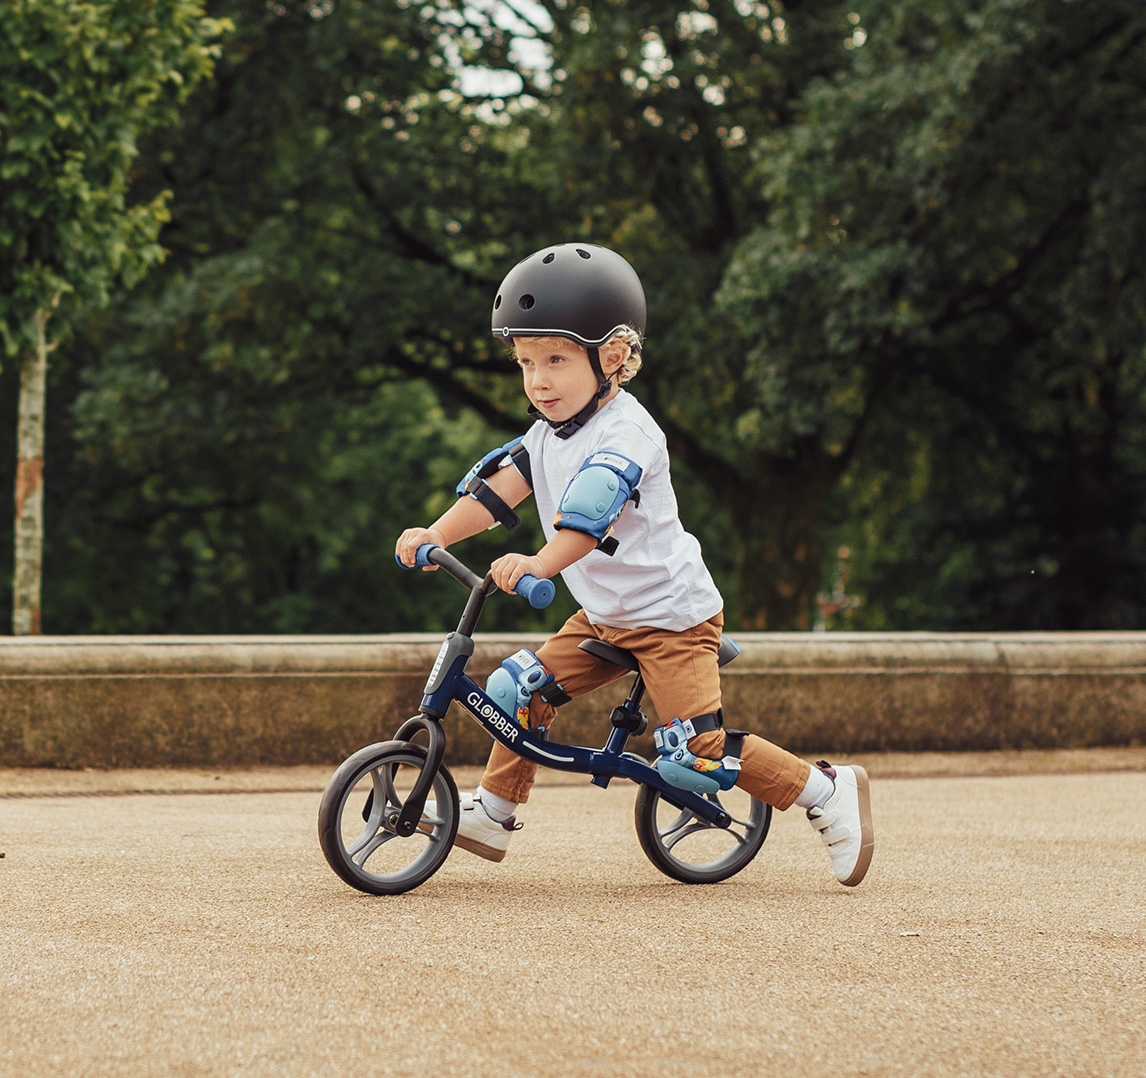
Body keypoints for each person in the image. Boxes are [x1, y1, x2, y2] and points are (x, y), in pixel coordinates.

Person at [395, 242, 874, 887]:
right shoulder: (545, 435)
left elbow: (585, 525)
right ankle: (495, 812)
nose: (538, 380)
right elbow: (494, 494)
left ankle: (824, 789)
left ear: (612, 357)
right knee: (513, 693)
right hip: (602, 618)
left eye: (557, 360)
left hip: (672, 619)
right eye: (527, 362)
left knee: (691, 760)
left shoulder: (629, 437)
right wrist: (437, 534)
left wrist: (538, 564)